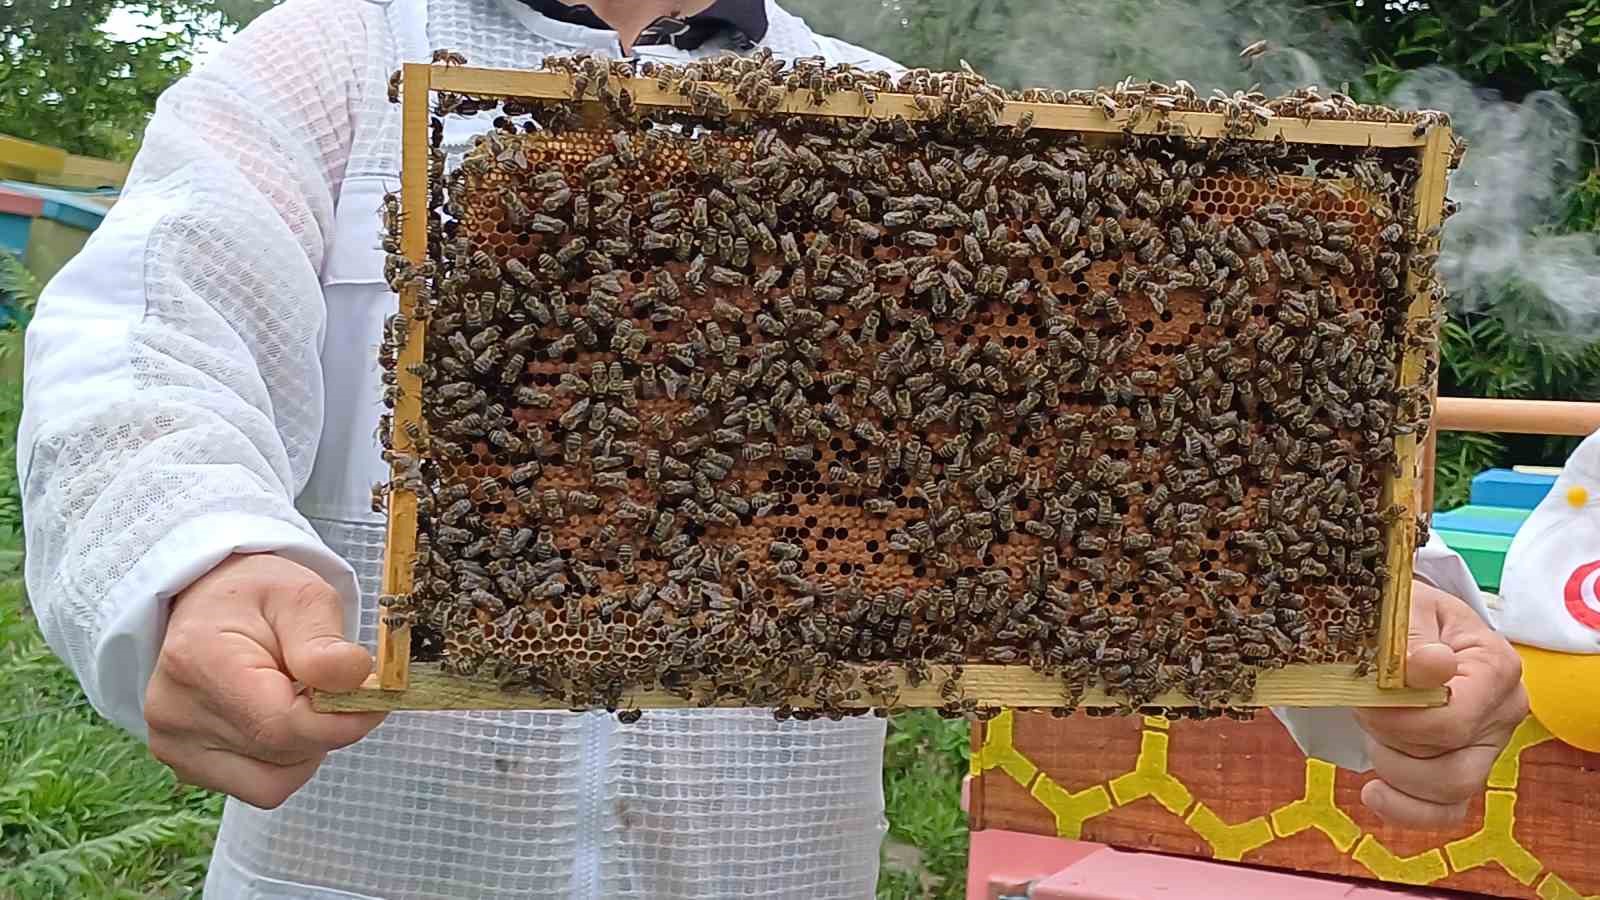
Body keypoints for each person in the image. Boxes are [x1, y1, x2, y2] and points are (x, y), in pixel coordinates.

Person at [18, 0, 1527, 896]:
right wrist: (201, 559)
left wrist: (1397, 633)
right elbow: (152, 343)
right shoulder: (325, 57)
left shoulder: (903, 121)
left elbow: (1187, 435)